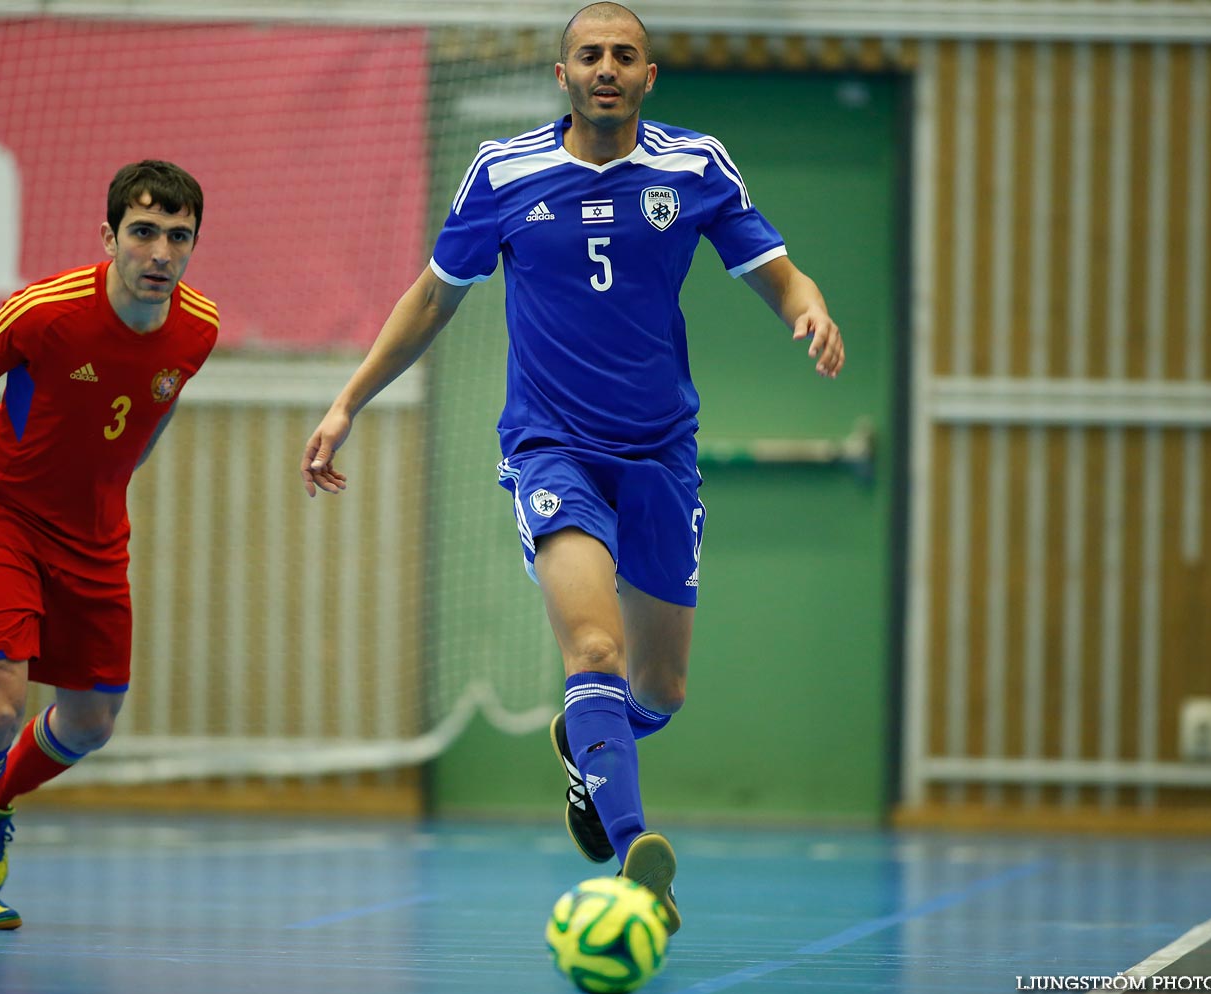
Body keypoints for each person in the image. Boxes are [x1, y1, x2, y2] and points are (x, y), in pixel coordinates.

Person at [299, 2, 843, 936]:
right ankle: (637, 854)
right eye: (588, 54)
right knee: (593, 652)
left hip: (662, 452)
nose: (605, 67)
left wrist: (808, 307)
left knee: (659, 690)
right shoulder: (502, 173)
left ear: (647, 76)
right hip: (551, 446)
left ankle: (586, 743)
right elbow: (435, 297)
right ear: (562, 75)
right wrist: (348, 401)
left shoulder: (694, 165)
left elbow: (775, 266)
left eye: (623, 55)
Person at [0, 160, 218, 930]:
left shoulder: (200, 328)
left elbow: (150, 414)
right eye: (144, 233)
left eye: (178, 237)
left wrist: (110, 487)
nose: (160, 253)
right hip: (0, 519)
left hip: (95, 540)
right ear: (110, 236)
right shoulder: (47, 311)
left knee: (91, 724)